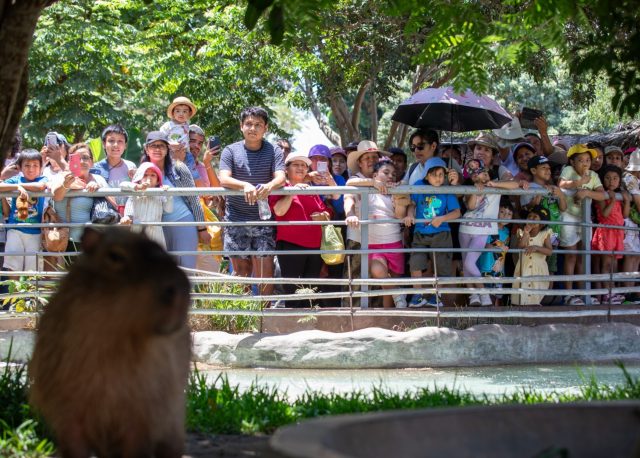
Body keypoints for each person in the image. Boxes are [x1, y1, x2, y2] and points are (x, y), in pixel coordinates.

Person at [218, 106, 285, 295]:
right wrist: (245, 185)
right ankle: (242, 319)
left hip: (263, 221)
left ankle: (265, 319)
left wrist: (269, 186)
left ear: (266, 128)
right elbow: (224, 178)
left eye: (258, 125)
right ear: (241, 126)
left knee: (265, 273)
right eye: (248, 124)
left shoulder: (274, 151)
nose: (252, 128)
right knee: (241, 273)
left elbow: (281, 177)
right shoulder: (230, 151)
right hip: (236, 219)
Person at [459, 159, 528, 306]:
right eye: (477, 175)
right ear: (472, 178)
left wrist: (494, 185)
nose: (482, 177)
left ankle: (482, 291)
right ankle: (474, 296)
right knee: (466, 266)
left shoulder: (496, 184)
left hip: (483, 231)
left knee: (469, 263)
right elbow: (470, 207)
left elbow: (514, 184)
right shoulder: (470, 189)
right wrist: (475, 190)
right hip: (465, 228)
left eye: (483, 173)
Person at [269, 151, 329, 307]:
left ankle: (311, 325)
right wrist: (293, 190)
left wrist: (323, 215)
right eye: (296, 164)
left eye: (304, 165)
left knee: (311, 290)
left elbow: (326, 213)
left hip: (315, 246)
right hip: (290, 245)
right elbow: (279, 211)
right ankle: (293, 325)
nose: (301, 168)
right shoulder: (281, 187)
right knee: (293, 290)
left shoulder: (310, 188)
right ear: (286, 169)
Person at [139, 131, 208, 269]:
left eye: (161, 146)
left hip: (182, 223)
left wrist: (202, 229)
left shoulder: (178, 167)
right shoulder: (141, 171)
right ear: (147, 149)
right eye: (153, 146)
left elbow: (193, 198)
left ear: (167, 149)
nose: (157, 149)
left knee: (185, 270)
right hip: (155, 226)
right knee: (160, 271)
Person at [346, 159, 406, 308]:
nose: (390, 176)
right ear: (374, 175)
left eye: (393, 174)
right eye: (386, 172)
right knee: (377, 270)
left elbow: (400, 215)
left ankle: (391, 319)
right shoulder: (366, 189)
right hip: (374, 244)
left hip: (394, 241)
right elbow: (349, 183)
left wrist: (399, 195)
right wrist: (373, 183)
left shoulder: (394, 192)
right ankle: (398, 292)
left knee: (388, 288)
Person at [403, 157, 461, 308]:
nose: (438, 178)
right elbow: (412, 204)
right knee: (415, 263)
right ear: (427, 176)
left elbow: (456, 212)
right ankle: (418, 295)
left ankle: (437, 296)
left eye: (441, 174)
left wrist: (442, 218)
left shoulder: (447, 189)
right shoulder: (418, 185)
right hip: (420, 232)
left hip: (441, 232)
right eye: (434, 174)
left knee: (442, 266)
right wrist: (410, 215)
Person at [342, 140, 391, 306]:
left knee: (376, 282)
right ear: (359, 163)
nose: (371, 160)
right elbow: (348, 192)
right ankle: (352, 318)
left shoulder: (385, 177)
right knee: (355, 279)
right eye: (367, 158)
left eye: (374, 157)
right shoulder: (357, 178)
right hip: (358, 237)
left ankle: (376, 319)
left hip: (380, 240)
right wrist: (350, 214)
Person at [558, 144, 606, 305]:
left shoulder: (593, 175)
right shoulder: (567, 171)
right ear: (572, 162)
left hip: (584, 219)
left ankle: (582, 292)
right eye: (581, 160)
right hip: (568, 216)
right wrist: (579, 182)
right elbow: (562, 184)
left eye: (588, 160)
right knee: (571, 255)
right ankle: (569, 294)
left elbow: (601, 194)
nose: (585, 163)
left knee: (582, 256)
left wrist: (587, 192)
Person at [50, 143, 109, 255]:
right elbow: (56, 196)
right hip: (63, 240)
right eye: (77, 158)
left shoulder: (98, 179)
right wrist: (66, 185)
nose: (82, 161)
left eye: (86, 158)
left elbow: (113, 204)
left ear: (92, 162)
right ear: (70, 161)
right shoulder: (62, 177)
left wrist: (98, 189)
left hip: (91, 242)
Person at [0, 150, 48, 272]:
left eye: (35, 165)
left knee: (32, 269)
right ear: (20, 167)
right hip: (15, 229)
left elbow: (40, 187)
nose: (31, 169)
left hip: (35, 231)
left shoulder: (44, 178)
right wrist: (17, 187)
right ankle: (14, 291)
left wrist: (21, 186)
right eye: (27, 165)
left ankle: (29, 292)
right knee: (12, 266)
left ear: (41, 167)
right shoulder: (16, 180)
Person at [520, 155, 567, 278]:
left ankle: (546, 296)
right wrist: (535, 202)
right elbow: (525, 210)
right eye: (543, 167)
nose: (548, 170)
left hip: (553, 232)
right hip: (535, 234)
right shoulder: (528, 187)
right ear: (534, 171)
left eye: (549, 168)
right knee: (533, 265)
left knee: (550, 268)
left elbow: (563, 208)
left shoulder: (553, 188)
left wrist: (561, 195)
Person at [591, 165, 629, 304]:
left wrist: (627, 201)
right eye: (607, 178)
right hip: (606, 231)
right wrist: (612, 200)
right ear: (602, 180)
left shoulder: (619, 195)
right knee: (606, 264)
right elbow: (605, 215)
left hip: (617, 232)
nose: (611, 181)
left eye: (615, 178)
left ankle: (612, 291)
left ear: (619, 180)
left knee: (613, 264)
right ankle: (606, 294)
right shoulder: (602, 195)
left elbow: (624, 215)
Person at [120, 163, 173, 249]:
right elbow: (122, 185)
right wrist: (138, 187)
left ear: (158, 180)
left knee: (156, 259)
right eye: (145, 175)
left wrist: (168, 194)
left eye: (153, 175)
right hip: (137, 230)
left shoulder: (160, 193)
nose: (149, 178)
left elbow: (169, 210)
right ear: (139, 178)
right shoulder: (134, 192)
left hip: (155, 231)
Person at [511, 206, 553, 306]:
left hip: (538, 269)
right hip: (524, 267)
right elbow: (520, 247)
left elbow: (549, 251)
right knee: (521, 287)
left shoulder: (545, 234)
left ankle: (534, 306)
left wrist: (536, 248)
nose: (531, 218)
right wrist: (526, 233)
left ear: (542, 223)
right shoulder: (521, 232)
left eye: (535, 217)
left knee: (536, 287)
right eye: (529, 216)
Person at [477, 197, 513, 306]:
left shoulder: (507, 232)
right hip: (485, 267)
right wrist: (499, 245)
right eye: (502, 212)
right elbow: (484, 245)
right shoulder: (489, 227)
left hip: (499, 268)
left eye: (509, 214)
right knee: (485, 294)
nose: (505, 216)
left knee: (497, 295)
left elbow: (503, 251)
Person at [93, 124, 136, 213]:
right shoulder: (96, 169)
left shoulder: (131, 166)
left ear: (125, 145)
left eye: (120, 141)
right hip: (106, 216)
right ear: (104, 144)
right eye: (111, 141)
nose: (116, 145)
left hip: (129, 216)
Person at [160, 96, 200, 182]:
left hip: (186, 152)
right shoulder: (168, 125)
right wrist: (169, 144)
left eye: (184, 111)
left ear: (189, 114)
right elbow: (160, 138)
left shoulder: (187, 125)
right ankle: (175, 179)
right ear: (173, 113)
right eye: (177, 111)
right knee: (174, 170)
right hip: (172, 153)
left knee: (192, 170)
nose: (181, 114)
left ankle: (194, 180)